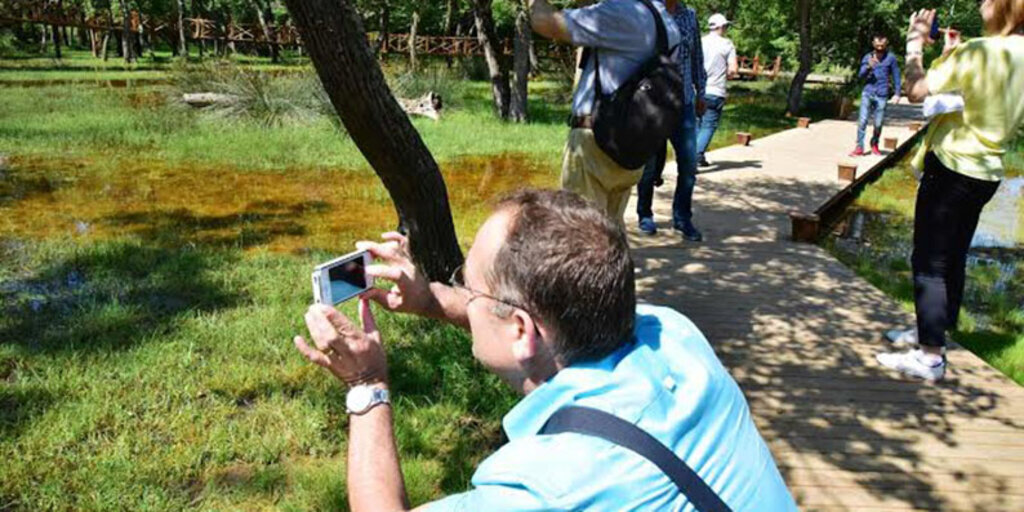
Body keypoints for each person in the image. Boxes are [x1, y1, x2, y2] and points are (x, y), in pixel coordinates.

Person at [293, 189, 799, 511]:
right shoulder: (676, 335)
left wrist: (367, 387)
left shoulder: (544, 489)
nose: (463, 297)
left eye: (467, 287)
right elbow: (544, 318)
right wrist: (430, 300)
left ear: (520, 330)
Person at [877, 1, 1024, 381]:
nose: (981, 4)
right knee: (953, 255)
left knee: (929, 261)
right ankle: (933, 330)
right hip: (987, 171)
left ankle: (929, 357)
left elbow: (914, 90)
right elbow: (979, 100)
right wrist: (949, 58)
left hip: (954, 166)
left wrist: (914, 45)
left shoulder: (980, 50)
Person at [529, 0, 682, 225]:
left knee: (579, 235)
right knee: (609, 234)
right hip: (629, 145)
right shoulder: (667, 23)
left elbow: (545, 22)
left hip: (595, 144)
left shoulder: (622, 12)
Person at [635, 0, 707, 241]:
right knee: (649, 168)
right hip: (653, 103)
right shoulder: (647, 13)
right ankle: (645, 214)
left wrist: (701, 93)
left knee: (688, 165)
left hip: (684, 103)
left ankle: (682, 217)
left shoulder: (690, 16)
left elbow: (697, 57)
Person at [696, 13, 738, 168]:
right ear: (720, 27)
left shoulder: (700, 41)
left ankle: (697, 157)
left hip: (697, 90)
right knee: (708, 126)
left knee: (697, 125)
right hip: (715, 90)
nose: (726, 29)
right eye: (726, 26)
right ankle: (695, 157)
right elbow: (733, 70)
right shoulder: (727, 44)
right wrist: (728, 73)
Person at [850, 34, 902, 157]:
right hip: (868, 93)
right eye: (877, 45)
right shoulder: (867, 57)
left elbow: (896, 76)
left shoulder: (891, 58)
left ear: (886, 43)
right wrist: (868, 66)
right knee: (862, 121)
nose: (879, 47)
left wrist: (897, 93)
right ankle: (859, 147)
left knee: (878, 123)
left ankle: (874, 144)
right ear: (873, 44)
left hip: (882, 94)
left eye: (882, 45)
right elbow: (860, 75)